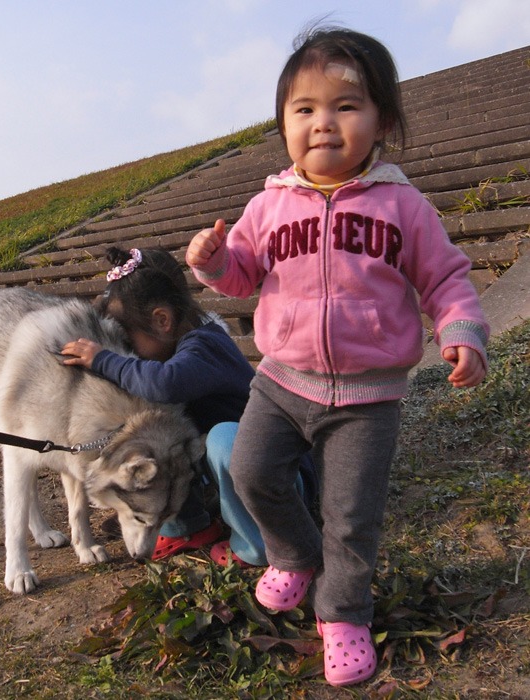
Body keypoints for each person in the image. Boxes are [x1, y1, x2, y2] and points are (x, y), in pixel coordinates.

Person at [185, 26, 489, 687]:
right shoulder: (268, 205)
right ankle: (293, 557)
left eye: (345, 106)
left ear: (383, 121)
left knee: (352, 516)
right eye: (305, 109)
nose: (323, 123)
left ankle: (344, 614)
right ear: (285, 125)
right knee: (251, 470)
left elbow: (445, 278)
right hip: (280, 382)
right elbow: (241, 273)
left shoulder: (402, 206)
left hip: (368, 397)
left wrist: (461, 330)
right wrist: (215, 264)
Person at [60, 245, 316, 567]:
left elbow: (164, 383)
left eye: (127, 336)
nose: (126, 347)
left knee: (222, 439)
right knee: (166, 443)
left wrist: (105, 360)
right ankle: (186, 528)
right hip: (234, 478)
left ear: (162, 320)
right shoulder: (177, 348)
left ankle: (256, 545)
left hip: (279, 478)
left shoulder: (204, 347)